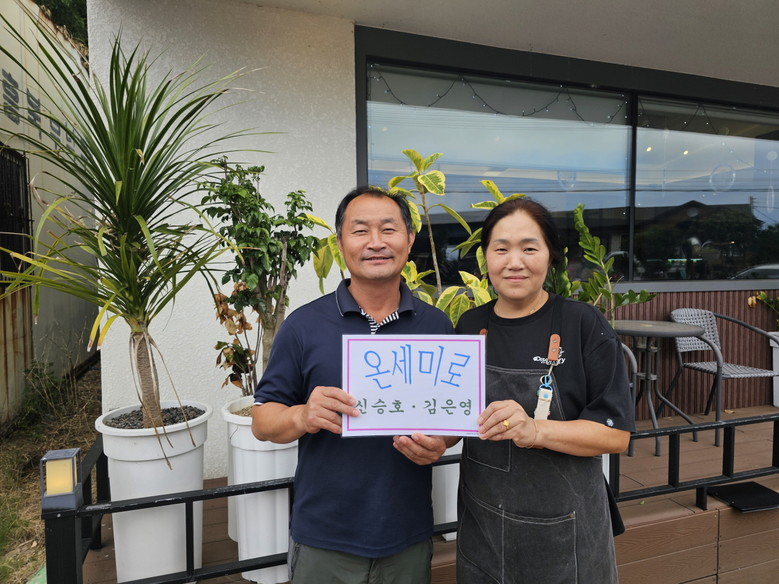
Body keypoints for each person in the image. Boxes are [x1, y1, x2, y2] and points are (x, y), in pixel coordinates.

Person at [252, 186, 456, 584]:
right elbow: (263, 421)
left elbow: (450, 419)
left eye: (388, 229)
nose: (376, 242)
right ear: (341, 242)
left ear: (409, 239)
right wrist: (302, 415)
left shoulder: (436, 326)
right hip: (324, 536)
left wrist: (442, 442)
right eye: (360, 230)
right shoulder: (303, 325)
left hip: (408, 533)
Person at [454, 197, 635, 583]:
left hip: (567, 535)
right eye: (501, 249)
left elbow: (615, 435)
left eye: (529, 248)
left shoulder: (583, 324)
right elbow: (455, 415)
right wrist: (427, 438)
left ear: (551, 255)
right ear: (486, 257)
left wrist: (535, 430)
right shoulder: (469, 326)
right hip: (484, 525)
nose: (514, 262)